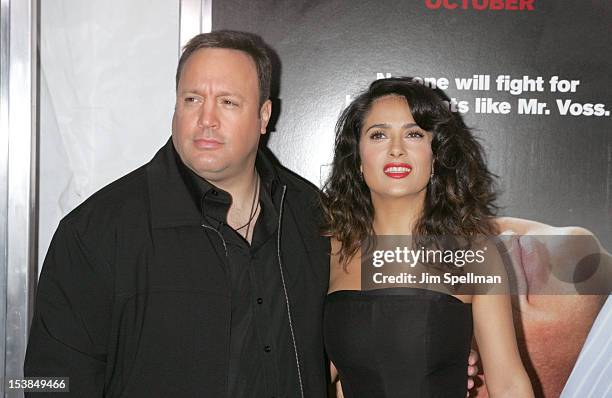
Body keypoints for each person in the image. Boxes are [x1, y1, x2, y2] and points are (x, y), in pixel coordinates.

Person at [24, 31, 478, 398]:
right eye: (191, 99)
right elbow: (45, 382)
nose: (206, 119)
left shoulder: (317, 219)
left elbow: (357, 335)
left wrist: (432, 355)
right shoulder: (95, 231)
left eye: (228, 102)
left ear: (264, 117)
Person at [321, 77, 534, 397]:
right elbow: (309, 374)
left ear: (436, 158)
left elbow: (509, 385)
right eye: (378, 134)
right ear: (358, 160)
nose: (396, 149)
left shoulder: (473, 251)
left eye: (414, 134)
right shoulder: (327, 251)